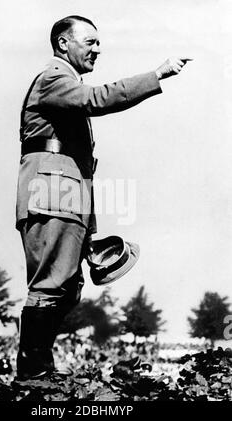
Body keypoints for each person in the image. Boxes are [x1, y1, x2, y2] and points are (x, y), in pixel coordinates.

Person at [15, 15, 191, 380]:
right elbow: (97, 98)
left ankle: (38, 368)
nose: (98, 48)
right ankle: (33, 371)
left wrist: (89, 226)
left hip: (63, 192)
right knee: (52, 284)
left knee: (67, 287)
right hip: (52, 191)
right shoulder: (54, 78)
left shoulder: (64, 83)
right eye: (90, 41)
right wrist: (156, 75)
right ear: (64, 44)